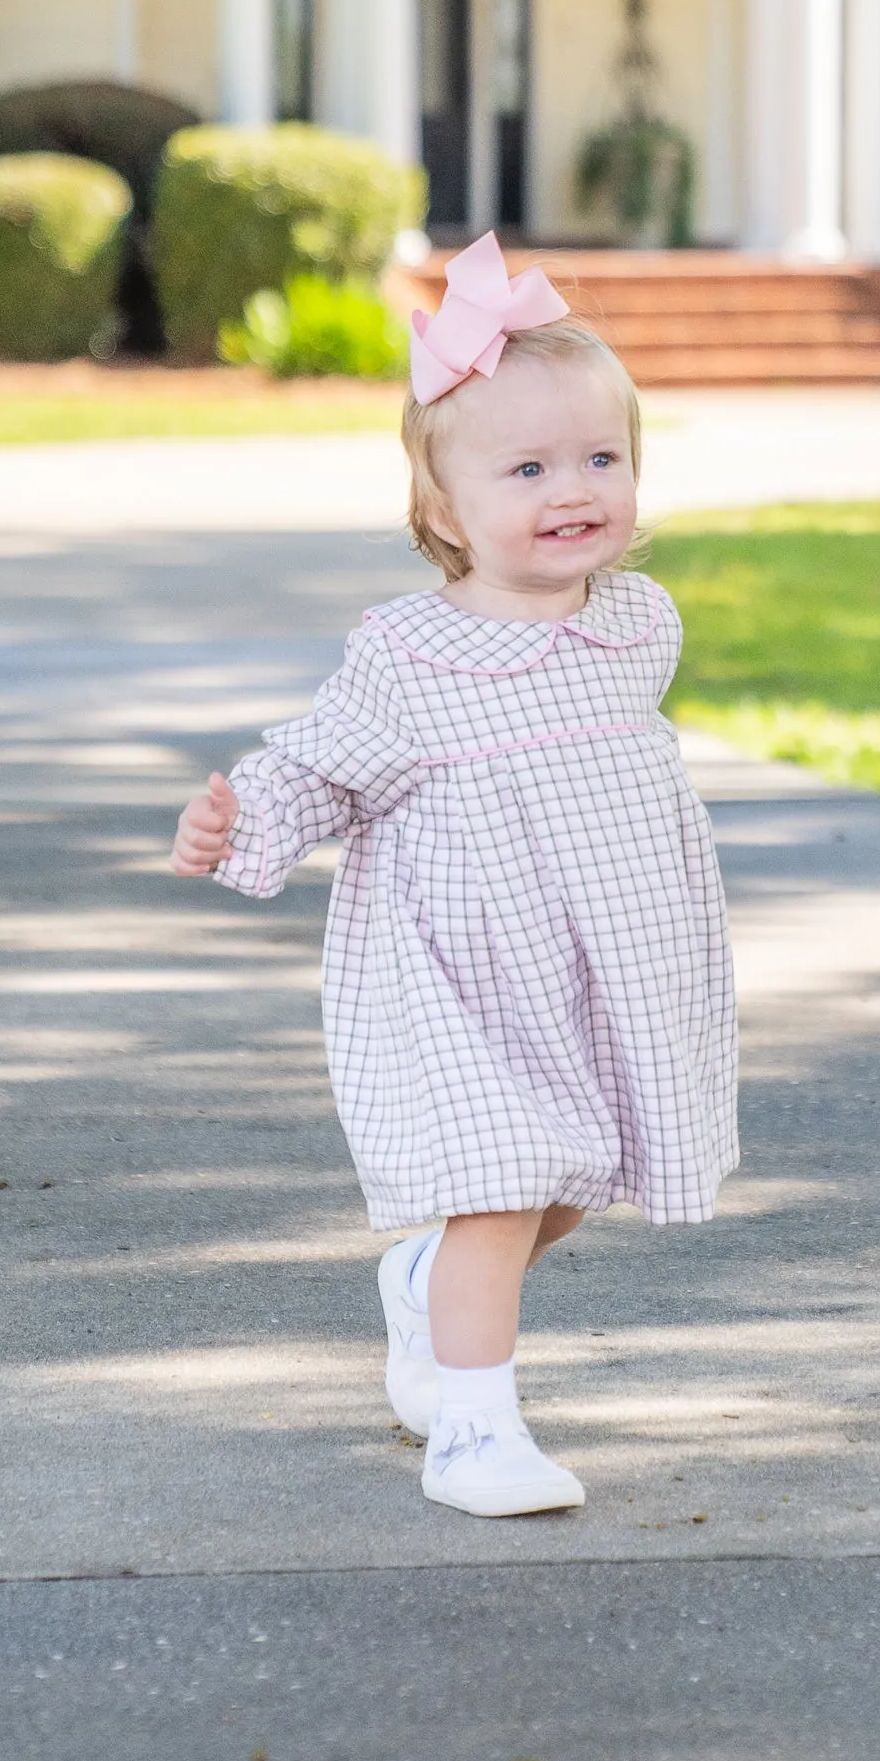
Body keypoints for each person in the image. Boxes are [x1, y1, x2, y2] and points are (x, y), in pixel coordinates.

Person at [171, 232, 737, 1518]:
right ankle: (474, 1429)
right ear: (442, 511)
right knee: (496, 1189)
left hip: (602, 967)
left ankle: (425, 1289)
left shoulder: (634, 626)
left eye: (601, 458)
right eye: (527, 466)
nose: (572, 488)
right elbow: (320, 762)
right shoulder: (411, 656)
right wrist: (234, 817)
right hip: (458, 972)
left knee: (569, 1181)